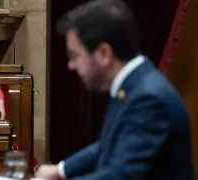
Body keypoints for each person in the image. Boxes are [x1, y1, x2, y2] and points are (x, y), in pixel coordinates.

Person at [35, 0, 193, 179]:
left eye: (75, 56)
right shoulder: (133, 84)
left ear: (104, 54)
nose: (71, 65)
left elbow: (120, 175)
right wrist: (60, 170)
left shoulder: (148, 98)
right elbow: (108, 144)